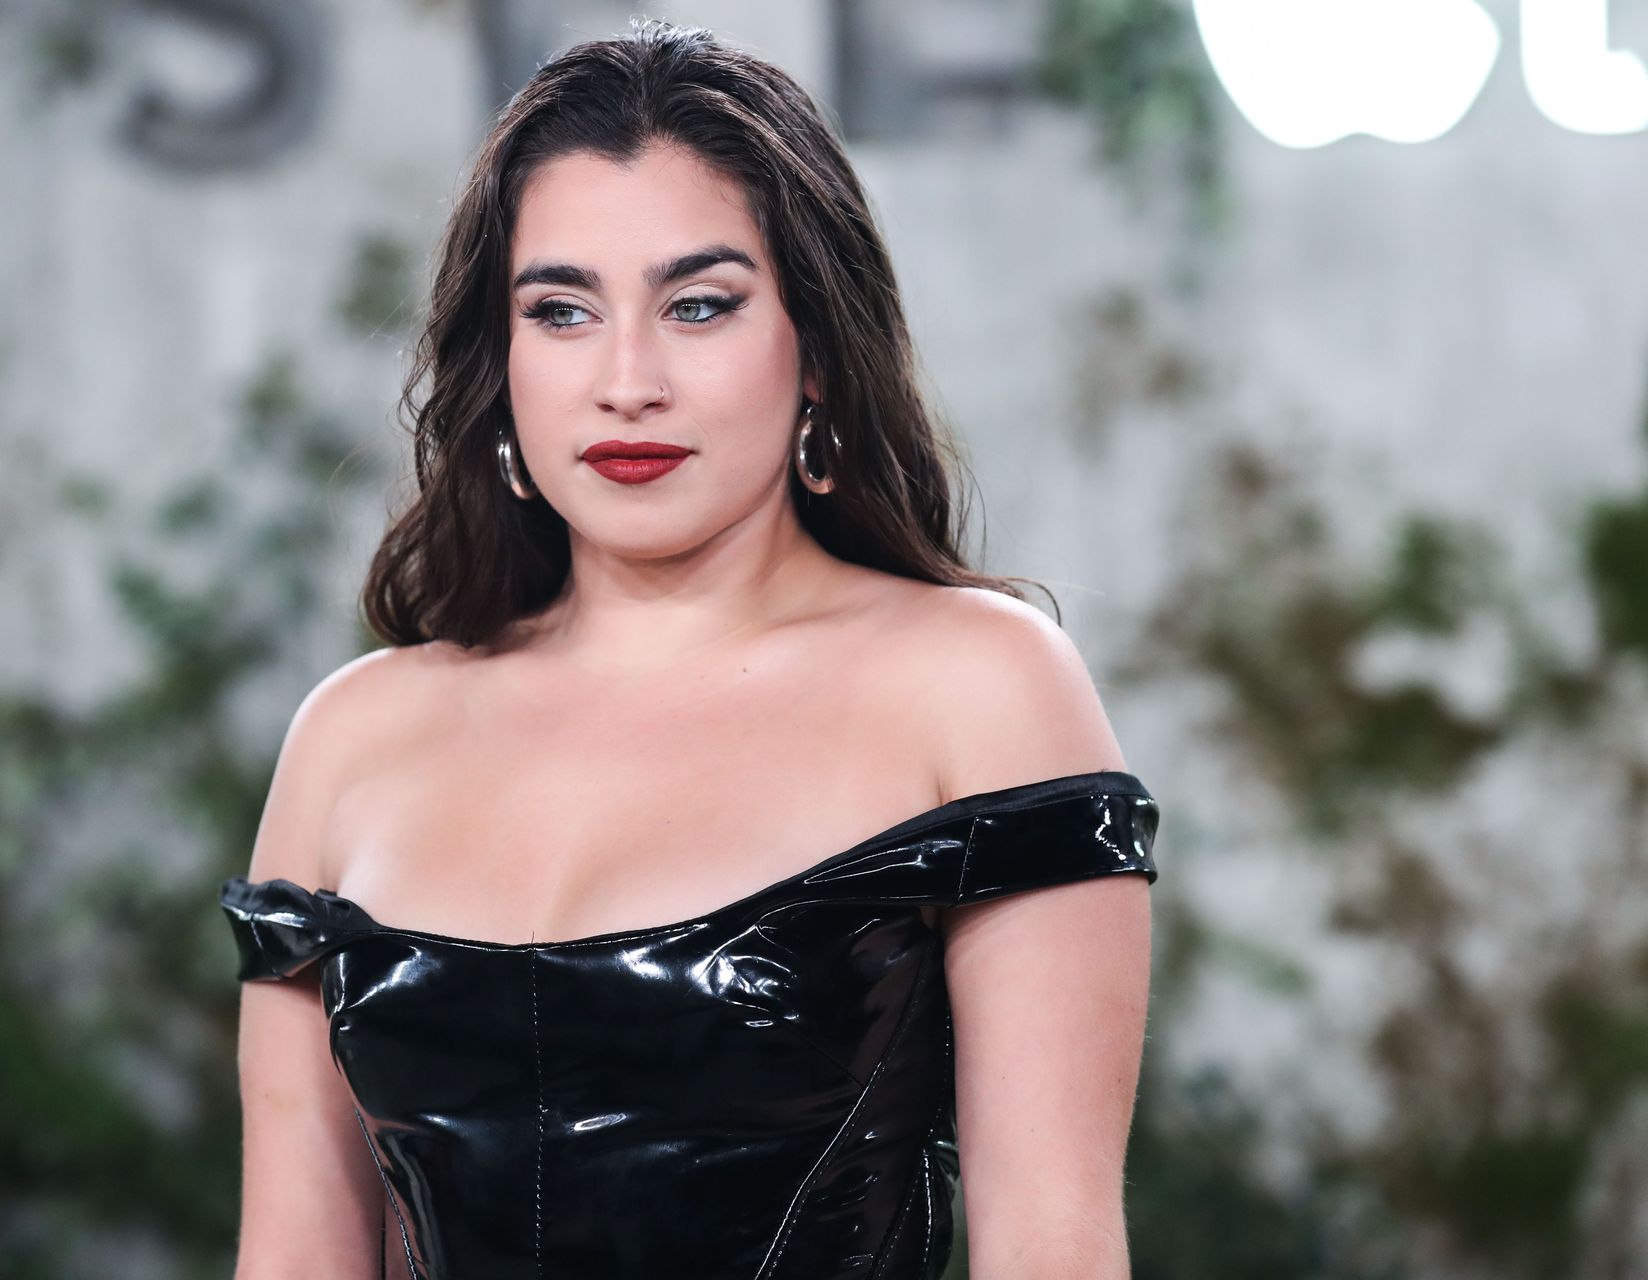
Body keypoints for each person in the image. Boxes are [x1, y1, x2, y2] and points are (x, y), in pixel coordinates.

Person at [217, 17, 1161, 1279]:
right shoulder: (354, 736)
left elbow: (1054, 1245)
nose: (628, 379)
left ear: (817, 346)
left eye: (699, 304)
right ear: (501, 359)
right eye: (561, 310)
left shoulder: (978, 687)